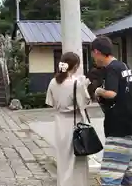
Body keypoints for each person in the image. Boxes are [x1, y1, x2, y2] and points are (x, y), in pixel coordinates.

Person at [91, 36, 132, 186]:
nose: (93, 57)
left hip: (119, 128)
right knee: (127, 171)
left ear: (97, 52)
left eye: (93, 54)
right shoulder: (123, 66)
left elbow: (112, 94)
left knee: (110, 175)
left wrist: (98, 91)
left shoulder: (111, 69)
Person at [45, 52, 91, 186]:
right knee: (78, 158)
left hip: (60, 121)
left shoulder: (53, 81)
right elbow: (84, 104)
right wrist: (85, 87)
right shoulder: (77, 83)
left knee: (63, 158)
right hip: (74, 121)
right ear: (75, 66)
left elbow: (50, 102)